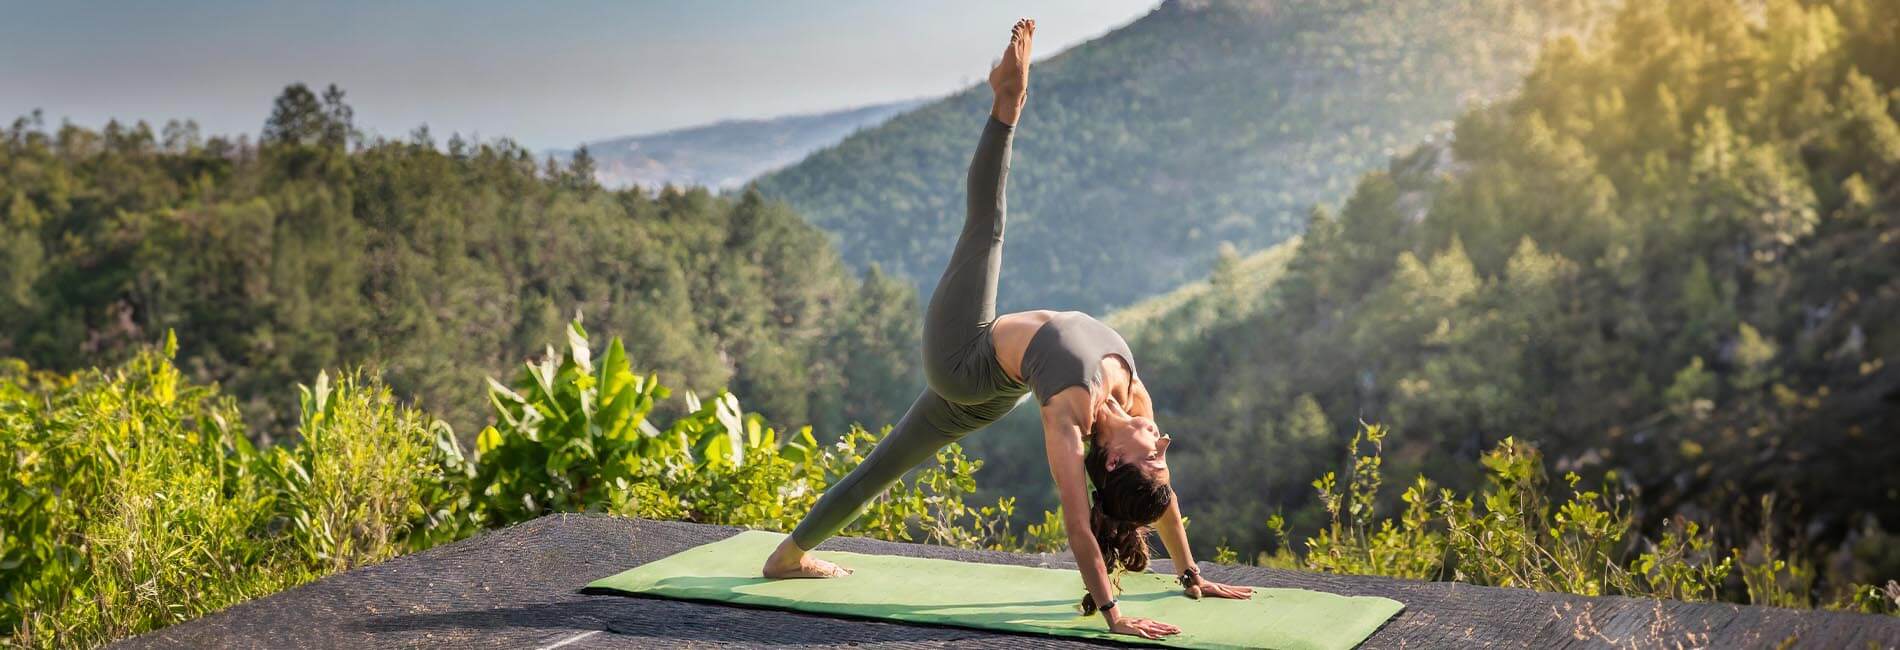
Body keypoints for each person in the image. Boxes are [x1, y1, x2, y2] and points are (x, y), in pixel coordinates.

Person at [759, 18, 1252, 640]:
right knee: (884, 466)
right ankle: (788, 556)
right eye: (1163, 460)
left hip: (963, 359)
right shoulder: (1135, 406)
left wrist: (1113, 615)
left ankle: (1006, 107)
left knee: (986, 231)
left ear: (1116, 455)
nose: (1164, 449)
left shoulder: (1070, 421)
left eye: (1152, 459)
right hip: (999, 389)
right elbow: (1163, 501)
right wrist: (1191, 576)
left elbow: (1078, 523)